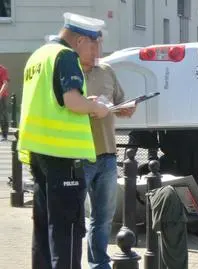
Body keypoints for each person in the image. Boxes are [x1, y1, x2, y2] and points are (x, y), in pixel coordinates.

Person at [17, 12, 109, 269]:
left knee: (44, 227)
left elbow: (51, 101)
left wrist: (83, 103)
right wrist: (96, 108)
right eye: (94, 45)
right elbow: (70, 101)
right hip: (64, 157)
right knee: (67, 229)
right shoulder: (66, 56)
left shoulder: (38, 56)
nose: (96, 53)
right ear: (80, 40)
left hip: (39, 153)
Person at [81, 40, 136, 268]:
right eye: (92, 47)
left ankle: (99, 264)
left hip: (108, 155)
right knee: (74, 217)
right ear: (80, 45)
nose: (97, 52)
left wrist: (127, 108)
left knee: (103, 217)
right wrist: (87, 105)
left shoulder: (106, 71)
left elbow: (120, 104)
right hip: (80, 155)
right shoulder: (70, 72)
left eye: (99, 47)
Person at [0, 64, 9, 141]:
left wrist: (0, 94)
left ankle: (4, 135)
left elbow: (5, 83)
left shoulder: (2, 69)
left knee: (2, 115)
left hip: (2, 96)